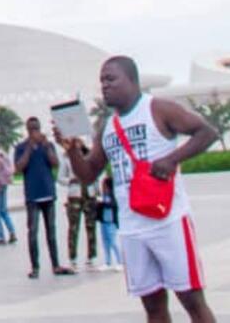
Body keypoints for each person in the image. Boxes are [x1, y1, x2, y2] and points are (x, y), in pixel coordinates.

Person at [66, 56, 220, 322]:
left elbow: (207, 132)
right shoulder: (107, 127)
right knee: (152, 306)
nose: (104, 85)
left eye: (111, 79)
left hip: (168, 221)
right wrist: (72, 152)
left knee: (192, 300)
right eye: (102, 81)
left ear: (132, 81)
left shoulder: (158, 109)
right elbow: (89, 175)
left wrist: (173, 159)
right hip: (132, 227)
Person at [15, 117, 70, 279]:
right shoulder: (21, 147)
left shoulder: (48, 145)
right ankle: (35, 267)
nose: (34, 132)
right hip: (32, 196)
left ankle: (55, 265)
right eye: (31, 129)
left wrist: (46, 147)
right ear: (27, 130)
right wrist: (29, 149)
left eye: (36, 128)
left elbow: (55, 163)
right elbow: (19, 168)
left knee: (51, 232)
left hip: (48, 193)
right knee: (33, 232)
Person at [57, 131, 98, 267]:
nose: (78, 144)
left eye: (79, 141)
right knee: (73, 227)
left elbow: (96, 175)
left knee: (91, 226)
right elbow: (60, 178)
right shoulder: (67, 159)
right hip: (75, 194)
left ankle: (91, 256)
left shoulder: (89, 158)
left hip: (89, 194)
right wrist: (70, 180)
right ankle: (72, 257)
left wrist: (97, 191)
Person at [98, 174, 122, 271]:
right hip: (103, 221)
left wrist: (103, 202)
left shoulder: (113, 196)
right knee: (105, 242)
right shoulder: (103, 195)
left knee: (113, 242)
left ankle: (120, 261)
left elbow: (112, 205)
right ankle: (107, 262)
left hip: (111, 221)